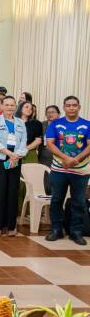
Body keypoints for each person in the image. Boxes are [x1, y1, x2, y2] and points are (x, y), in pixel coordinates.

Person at [45, 96, 90, 245]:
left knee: (79, 202)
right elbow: (50, 144)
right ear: (63, 107)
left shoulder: (87, 124)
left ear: (79, 107)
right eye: (68, 105)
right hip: (59, 169)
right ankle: (56, 229)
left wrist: (75, 160)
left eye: (74, 105)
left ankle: (76, 232)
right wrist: (66, 158)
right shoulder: (56, 124)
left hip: (80, 170)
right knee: (56, 200)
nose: (71, 108)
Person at [0, 96, 27, 237]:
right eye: (7, 105)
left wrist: (16, 155)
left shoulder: (20, 123)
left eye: (12, 105)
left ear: (16, 106)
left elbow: (24, 143)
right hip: (0, 160)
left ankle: (11, 225)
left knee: (12, 192)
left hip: (15, 161)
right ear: (1, 106)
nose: (10, 107)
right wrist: (9, 153)